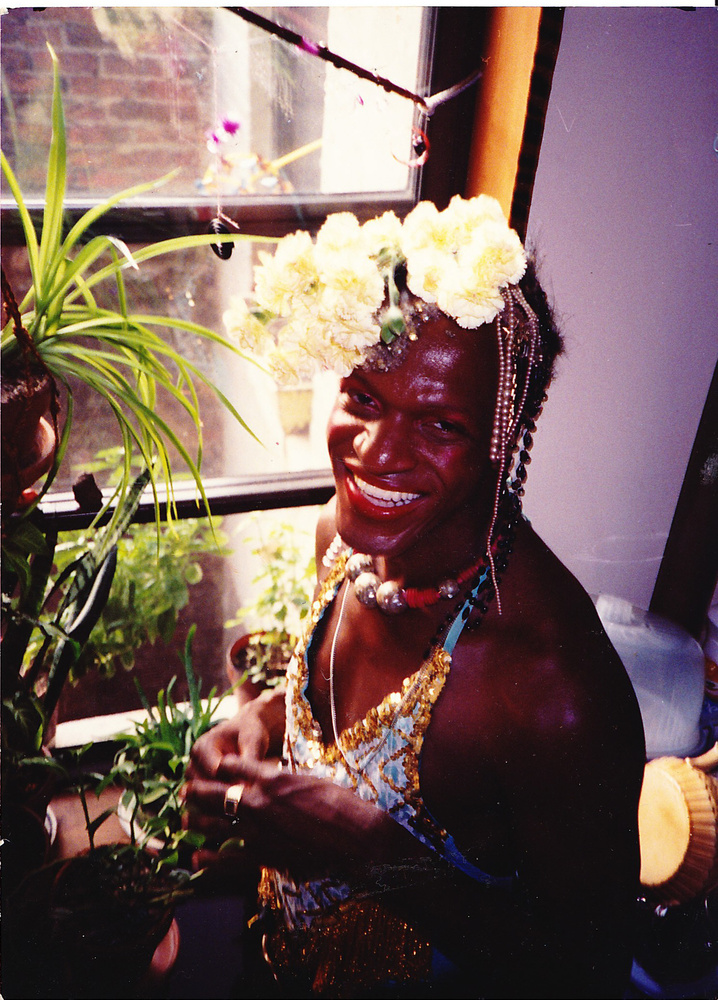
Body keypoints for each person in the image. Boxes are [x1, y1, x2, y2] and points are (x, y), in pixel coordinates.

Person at [184, 195, 646, 999]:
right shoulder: (346, 537)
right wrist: (254, 725)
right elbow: (329, 692)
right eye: (363, 396)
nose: (375, 454)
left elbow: (589, 970)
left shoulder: (553, 692)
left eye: (439, 425)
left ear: (503, 435)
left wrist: (371, 853)